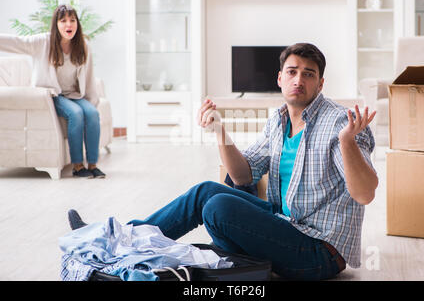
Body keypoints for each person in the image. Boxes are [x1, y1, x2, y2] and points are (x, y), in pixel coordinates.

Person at [70, 43, 377, 280]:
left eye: (308, 74)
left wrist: (347, 142)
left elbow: (365, 193)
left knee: (219, 207)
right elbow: (243, 176)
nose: (299, 79)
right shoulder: (278, 120)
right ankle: (119, 238)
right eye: (293, 71)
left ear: (320, 83)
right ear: (280, 78)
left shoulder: (339, 123)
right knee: (207, 192)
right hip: (285, 225)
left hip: (319, 251)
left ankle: (121, 244)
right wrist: (219, 130)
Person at [0, 4, 105, 178]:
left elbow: (89, 76)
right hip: (53, 94)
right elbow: (15, 42)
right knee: (76, 114)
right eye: (63, 21)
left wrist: (91, 100)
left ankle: (93, 164)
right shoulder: (42, 42)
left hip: (74, 94)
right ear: (56, 24)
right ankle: (78, 166)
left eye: (72, 20)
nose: (68, 25)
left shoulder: (83, 45)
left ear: (77, 24)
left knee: (92, 113)